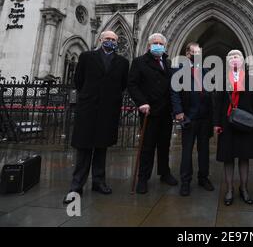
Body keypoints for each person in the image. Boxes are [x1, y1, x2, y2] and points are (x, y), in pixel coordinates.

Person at [63, 31, 129, 204]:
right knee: (83, 148)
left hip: (108, 110)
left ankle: (99, 182)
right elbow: (79, 80)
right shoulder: (87, 57)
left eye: (114, 40)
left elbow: (123, 85)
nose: (110, 42)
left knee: (102, 148)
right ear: (100, 40)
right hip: (88, 108)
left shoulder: (123, 62)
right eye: (107, 39)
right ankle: (76, 185)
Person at [128, 33, 178, 194]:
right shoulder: (139, 62)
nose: (158, 46)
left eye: (161, 43)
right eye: (155, 43)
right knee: (147, 146)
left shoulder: (167, 63)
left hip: (165, 112)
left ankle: (164, 173)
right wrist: (141, 102)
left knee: (164, 145)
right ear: (149, 46)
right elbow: (132, 84)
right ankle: (143, 178)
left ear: (164, 46)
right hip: (149, 111)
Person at [213, 50, 253, 206]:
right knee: (228, 158)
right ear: (228, 61)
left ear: (243, 61)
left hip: (245, 123)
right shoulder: (221, 80)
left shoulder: (250, 80)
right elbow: (217, 104)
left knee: (244, 157)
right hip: (227, 123)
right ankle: (229, 189)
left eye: (238, 57)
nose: (235, 59)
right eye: (232, 57)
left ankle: (244, 188)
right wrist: (216, 123)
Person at [171, 42, 214, 196]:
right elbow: (175, 93)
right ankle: (185, 181)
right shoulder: (179, 70)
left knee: (204, 150)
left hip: (204, 118)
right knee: (187, 150)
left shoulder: (205, 70)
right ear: (188, 53)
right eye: (195, 52)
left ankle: (203, 178)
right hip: (189, 117)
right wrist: (179, 112)